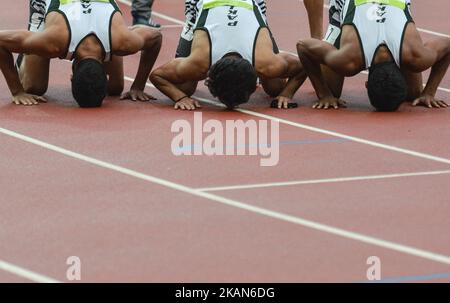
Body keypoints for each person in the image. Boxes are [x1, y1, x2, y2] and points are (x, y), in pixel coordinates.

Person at [0, 0, 162, 107]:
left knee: (115, 88)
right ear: (71, 77)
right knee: (34, 87)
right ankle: (36, 25)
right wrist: (18, 91)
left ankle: (109, 45)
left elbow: (155, 37)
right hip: (64, 21)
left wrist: (139, 85)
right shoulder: (54, 40)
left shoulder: (124, 41)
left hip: (109, 33)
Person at [150, 0, 306, 110]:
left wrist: (286, 93)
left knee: (275, 88)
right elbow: (157, 76)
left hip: (249, 5)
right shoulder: (199, 62)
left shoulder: (265, 62)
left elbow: (303, 64)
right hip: (204, 4)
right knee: (185, 88)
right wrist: (180, 96)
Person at [297, 0, 449, 111]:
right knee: (332, 90)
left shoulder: (416, 56)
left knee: (413, 92)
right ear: (367, 84)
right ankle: (318, 35)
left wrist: (429, 92)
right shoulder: (349, 58)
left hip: (378, 10)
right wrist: (324, 93)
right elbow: (303, 46)